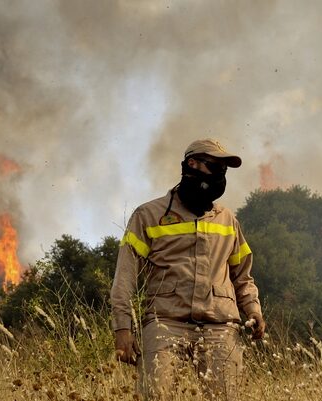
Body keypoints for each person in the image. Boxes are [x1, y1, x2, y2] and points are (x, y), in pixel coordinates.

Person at [111, 138, 265, 399]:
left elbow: (242, 275)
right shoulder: (148, 215)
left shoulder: (228, 220)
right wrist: (122, 328)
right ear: (192, 164)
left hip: (221, 327)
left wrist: (253, 309)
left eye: (224, 170)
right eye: (215, 167)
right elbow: (124, 278)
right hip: (165, 324)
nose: (220, 176)